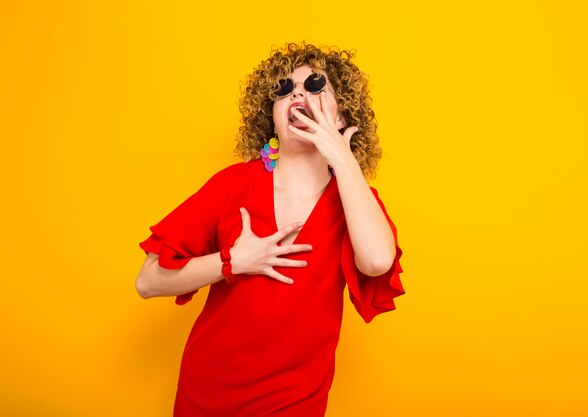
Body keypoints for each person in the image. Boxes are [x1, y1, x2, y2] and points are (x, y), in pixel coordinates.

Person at [135, 41, 405, 417]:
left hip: (295, 403)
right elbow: (147, 281)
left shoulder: (356, 202)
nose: (296, 92)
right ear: (272, 117)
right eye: (282, 89)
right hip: (209, 396)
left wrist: (342, 158)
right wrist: (232, 262)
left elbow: (376, 261)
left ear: (342, 116)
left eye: (314, 85)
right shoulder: (232, 185)